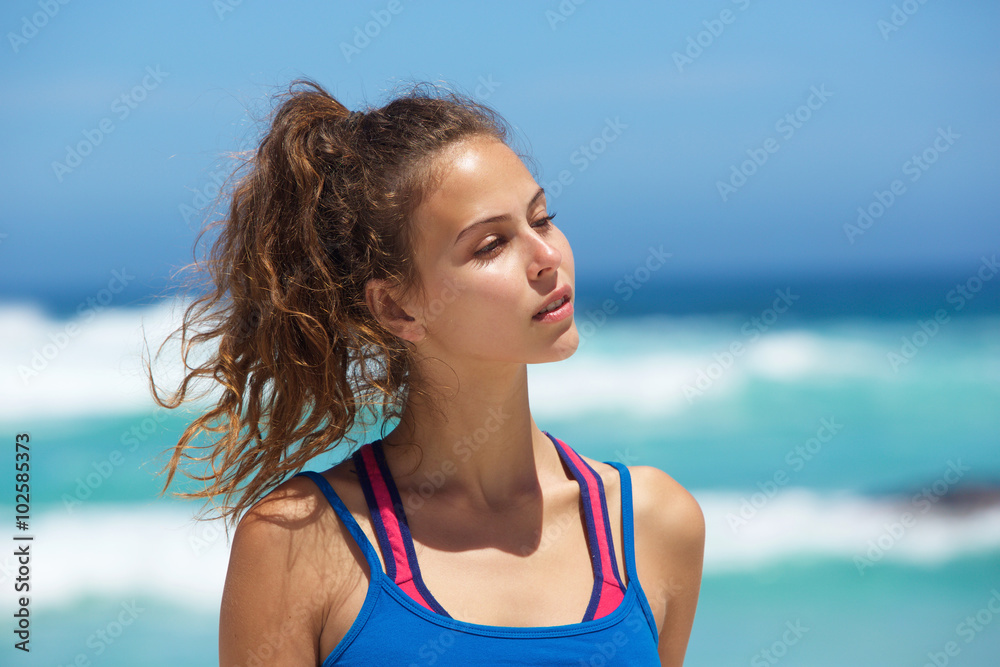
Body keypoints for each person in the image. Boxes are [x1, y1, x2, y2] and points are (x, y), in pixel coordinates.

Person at [150, 78, 705, 665]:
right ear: (396, 307)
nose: (547, 257)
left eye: (541, 219)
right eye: (491, 244)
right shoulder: (297, 542)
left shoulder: (651, 525)